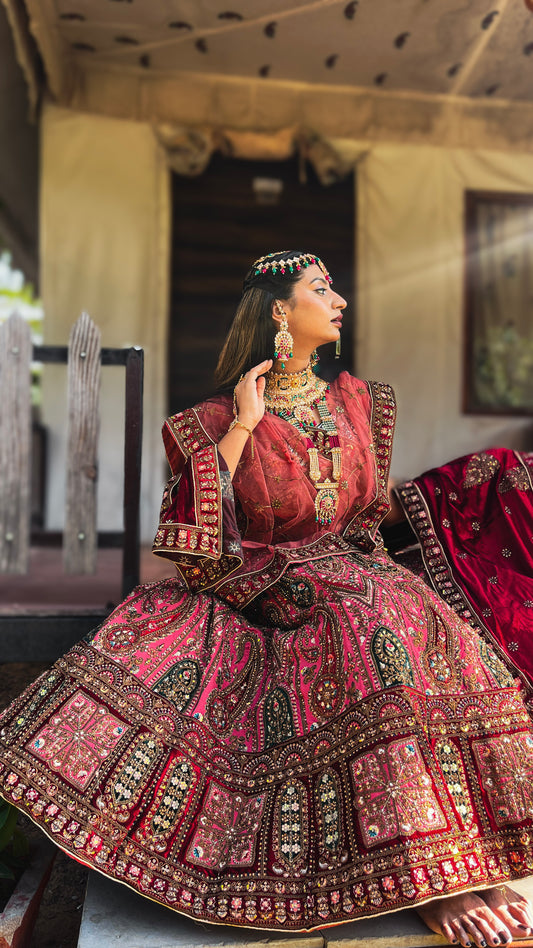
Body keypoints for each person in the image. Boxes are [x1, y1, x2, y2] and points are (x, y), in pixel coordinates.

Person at [1, 250, 533, 948]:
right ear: (279, 312)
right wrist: (245, 424)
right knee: (369, 631)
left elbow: (369, 511)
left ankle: (477, 856)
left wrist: (484, 478)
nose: (338, 300)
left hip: (358, 570)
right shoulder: (207, 422)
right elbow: (192, 541)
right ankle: (427, 877)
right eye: (321, 289)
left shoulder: (359, 403)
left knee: (441, 636)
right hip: (267, 582)